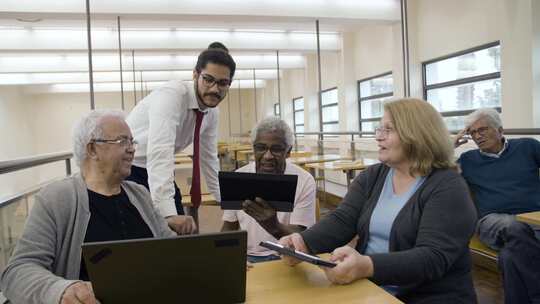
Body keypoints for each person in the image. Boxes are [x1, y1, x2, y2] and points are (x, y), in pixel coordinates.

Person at [279, 99, 478, 303]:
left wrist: (366, 266)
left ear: (417, 135)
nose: (378, 137)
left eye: (388, 130)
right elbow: (343, 220)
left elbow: (431, 257)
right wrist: (303, 242)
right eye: (379, 129)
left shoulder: (448, 187)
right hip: (373, 289)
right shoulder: (374, 175)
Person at [0, 110, 177, 304]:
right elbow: (18, 271)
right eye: (122, 141)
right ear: (92, 149)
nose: (132, 149)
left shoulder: (139, 194)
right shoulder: (57, 199)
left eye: (132, 141)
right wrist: (61, 290)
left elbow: (170, 248)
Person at [126, 42, 236, 233]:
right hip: (129, 167)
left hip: (154, 169)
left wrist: (226, 200)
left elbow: (208, 158)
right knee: (151, 231)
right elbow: (160, 153)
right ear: (195, 75)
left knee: (179, 234)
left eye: (222, 83)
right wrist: (168, 215)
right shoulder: (172, 96)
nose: (214, 89)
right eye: (208, 79)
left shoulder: (212, 112)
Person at [454, 108, 540, 304]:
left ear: (500, 130)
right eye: (473, 132)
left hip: (533, 219)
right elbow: (432, 174)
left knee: (510, 256)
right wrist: (448, 145)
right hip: (492, 221)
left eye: (482, 129)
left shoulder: (528, 147)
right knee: (515, 227)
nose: (477, 136)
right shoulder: (467, 160)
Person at [221, 117, 316, 263]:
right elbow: (229, 227)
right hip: (247, 257)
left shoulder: (304, 180)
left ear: (288, 151)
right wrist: (228, 258)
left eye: (276, 149)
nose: (268, 156)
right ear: (253, 148)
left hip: (287, 256)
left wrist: (273, 225)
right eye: (261, 148)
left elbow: (301, 238)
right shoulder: (238, 178)